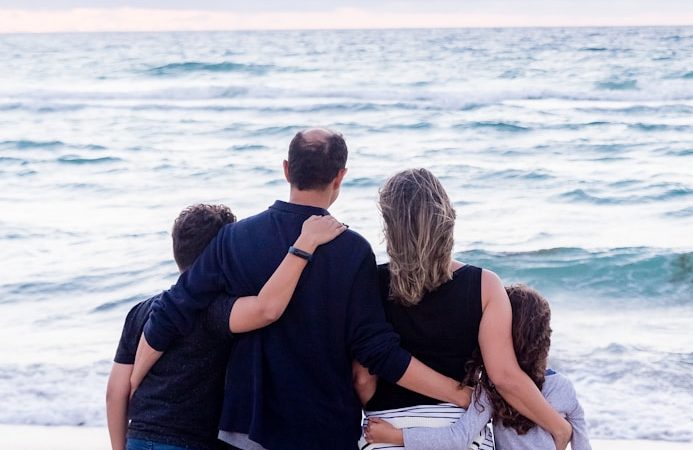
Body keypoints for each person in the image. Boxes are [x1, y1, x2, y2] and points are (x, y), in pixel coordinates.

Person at [131, 129, 471, 450]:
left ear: (286, 169)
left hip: (246, 427)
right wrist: (460, 394)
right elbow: (377, 351)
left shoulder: (235, 239)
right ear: (340, 176)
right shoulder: (352, 250)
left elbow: (174, 310)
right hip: (323, 428)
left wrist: (132, 382)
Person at [353, 169, 572, 450]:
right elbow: (505, 377)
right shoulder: (485, 285)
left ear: (389, 226)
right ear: (446, 219)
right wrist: (558, 426)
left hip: (385, 433)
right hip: (462, 433)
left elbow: (363, 381)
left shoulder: (368, 283)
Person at [106, 204, 347, 450]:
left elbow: (116, 391)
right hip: (188, 442)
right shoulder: (216, 310)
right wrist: (304, 245)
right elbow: (267, 309)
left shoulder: (141, 311)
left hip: (138, 438)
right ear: (224, 252)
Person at [363, 285, 592, 450]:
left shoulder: (492, 391)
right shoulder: (564, 388)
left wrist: (397, 436)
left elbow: (457, 438)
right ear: (545, 338)